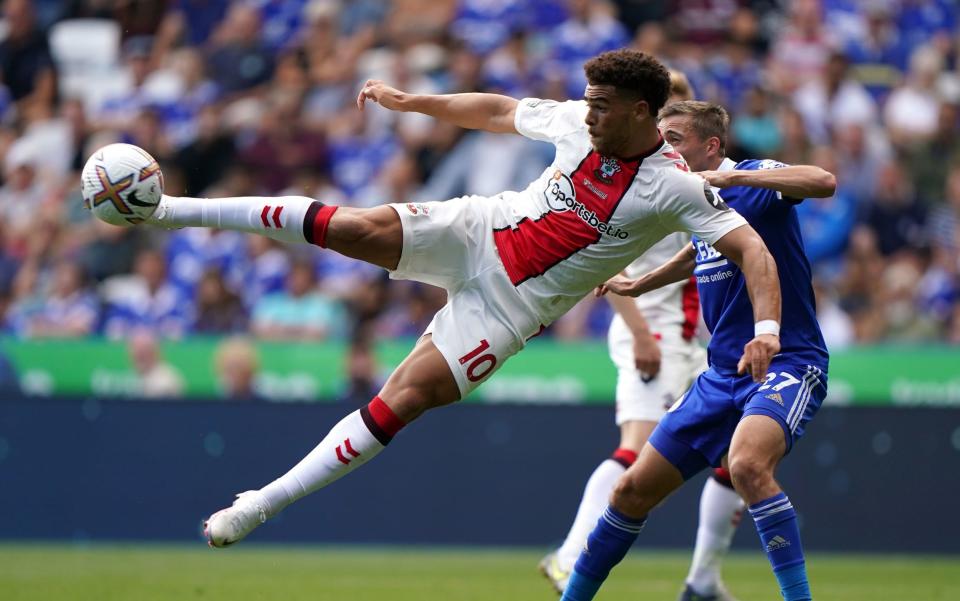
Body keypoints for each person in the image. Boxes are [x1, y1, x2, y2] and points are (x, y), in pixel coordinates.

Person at [130, 49, 782, 548]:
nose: (588, 113)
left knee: (403, 399)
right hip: (477, 231)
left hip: (509, 312)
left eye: (603, 105)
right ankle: (171, 211)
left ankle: (262, 502)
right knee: (350, 227)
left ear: (641, 111)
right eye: (587, 101)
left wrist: (770, 328)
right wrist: (414, 102)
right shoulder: (579, 125)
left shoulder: (676, 187)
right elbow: (498, 110)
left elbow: (752, 248)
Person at [559, 101, 834, 601]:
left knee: (748, 466)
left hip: (788, 361)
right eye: (662, 138)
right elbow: (700, 251)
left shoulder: (751, 177)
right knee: (629, 492)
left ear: (711, 146)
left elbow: (822, 181)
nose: (666, 148)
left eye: (676, 138)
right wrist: (643, 283)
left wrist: (742, 182)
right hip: (720, 375)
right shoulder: (696, 201)